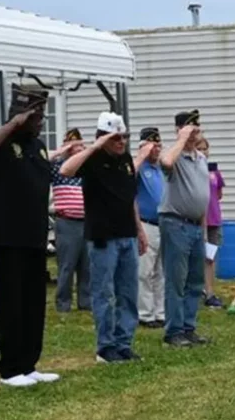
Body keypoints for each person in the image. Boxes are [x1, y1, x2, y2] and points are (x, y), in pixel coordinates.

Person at [60, 112, 149, 363]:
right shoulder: (92, 159)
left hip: (127, 235)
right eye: (116, 138)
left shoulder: (126, 160)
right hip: (102, 237)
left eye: (124, 138)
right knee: (104, 294)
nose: (121, 142)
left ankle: (123, 343)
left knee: (128, 292)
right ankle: (105, 347)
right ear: (102, 138)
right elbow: (66, 170)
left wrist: (140, 230)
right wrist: (95, 146)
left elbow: (130, 197)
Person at [0, 86, 60, 387]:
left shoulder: (37, 146)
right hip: (7, 239)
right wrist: (13, 125)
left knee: (33, 304)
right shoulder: (5, 140)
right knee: (11, 304)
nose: (41, 121)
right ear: (20, 116)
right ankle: (10, 369)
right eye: (36, 116)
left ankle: (29, 363)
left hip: (35, 237)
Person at [159, 110, 211, 348]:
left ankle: (188, 327)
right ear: (179, 130)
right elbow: (166, 162)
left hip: (195, 225)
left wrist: (204, 230)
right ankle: (174, 331)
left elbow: (203, 196)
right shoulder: (174, 155)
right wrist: (181, 139)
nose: (193, 135)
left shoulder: (200, 158)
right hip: (175, 222)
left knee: (195, 281)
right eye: (189, 130)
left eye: (196, 130)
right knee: (176, 280)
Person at [49, 128, 91, 314]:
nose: (78, 149)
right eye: (74, 146)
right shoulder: (58, 167)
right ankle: (63, 303)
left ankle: (85, 301)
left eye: (80, 145)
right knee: (67, 264)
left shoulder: (87, 169)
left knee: (87, 264)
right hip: (67, 222)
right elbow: (46, 159)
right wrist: (63, 150)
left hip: (87, 221)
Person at [133, 127, 166, 328]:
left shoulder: (161, 168)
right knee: (145, 272)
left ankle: (160, 312)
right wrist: (141, 155)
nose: (157, 149)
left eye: (158, 145)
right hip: (146, 224)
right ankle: (145, 313)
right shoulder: (139, 168)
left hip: (164, 223)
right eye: (153, 145)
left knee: (161, 272)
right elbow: (128, 176)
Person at [199, 138, 225, 308]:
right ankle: (196, 289)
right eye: (199, 148)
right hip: (195, 219)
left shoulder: (214, 172)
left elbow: (219, 194)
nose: (202, 152)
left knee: (210, 257)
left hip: (213, 220)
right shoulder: (191, 169)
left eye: (205, 148)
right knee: (196, 257)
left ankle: (209, 292)